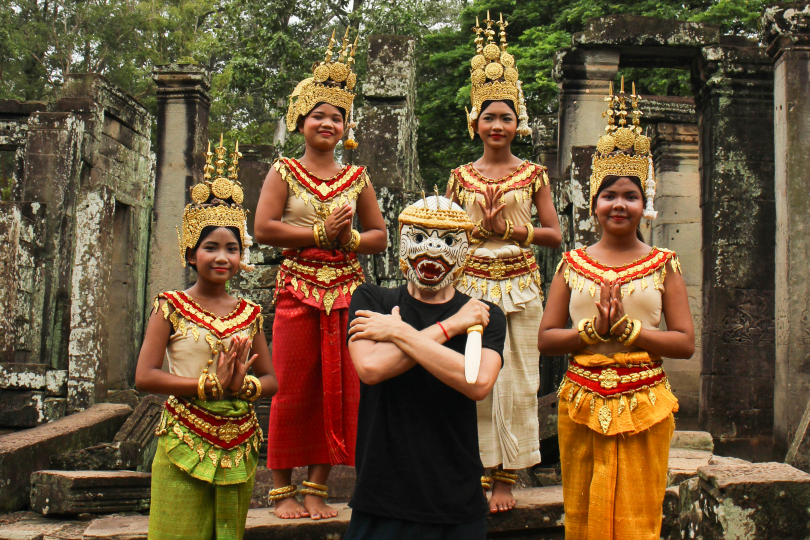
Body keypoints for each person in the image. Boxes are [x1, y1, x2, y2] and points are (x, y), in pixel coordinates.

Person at [537, 80, 694, 540]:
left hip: (645, 401)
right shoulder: (571, 263)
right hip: (582, 398)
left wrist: (631, 332)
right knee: (583, 513)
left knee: (639, 518)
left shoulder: (665, 265)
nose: (619, 204)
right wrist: (589, 331)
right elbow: (547, 339)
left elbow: (684, 343)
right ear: (594, 203)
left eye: (630, 196)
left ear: (645, 205)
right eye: (609, 196)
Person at [253, 29, 388, 520]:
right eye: (318, 115)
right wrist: (318, 235)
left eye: (336, 116)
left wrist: (347, 241)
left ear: (346, 126)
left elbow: (380, 236)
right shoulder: (284, 170)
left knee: (340, 384)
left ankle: (317, 486)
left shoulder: (357, 177)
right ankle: (281, 489)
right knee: (292, 385)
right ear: (301, 122)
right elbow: (263, 228)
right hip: (297, 288)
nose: (327, 123)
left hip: (347, 290)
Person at [446, 12, 561, 513]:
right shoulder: (459, 177)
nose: (498, 125)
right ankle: (471, 469)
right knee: (470, 377)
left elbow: (555, 236)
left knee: (516, 380)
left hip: (519, 285)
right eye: (489, 116)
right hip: (469, 285)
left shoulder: (533, 174)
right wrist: (476, 231)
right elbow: (444, 235)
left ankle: (507, 477)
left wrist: (512, 230)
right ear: (475, 123)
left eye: (506, 117)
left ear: (519, 123)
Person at [136, 139, 278, 540]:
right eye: (210, 247)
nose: (222, 257)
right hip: (184, 436)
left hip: (238, 442)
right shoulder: (171, 306)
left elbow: (271, 381)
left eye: (232, 248)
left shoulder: (250, 314)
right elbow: (145, 376)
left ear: (241, 255)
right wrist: (204, 385)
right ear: (191, 252)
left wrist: (243, 385)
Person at [343, 194, 507, 540]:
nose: (431, 251)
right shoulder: (372, 299)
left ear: (465, 249)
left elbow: (476, 383)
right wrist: (450, 327)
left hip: (456, 498)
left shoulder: (485, 315)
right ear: (402, 242)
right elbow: (371, 369)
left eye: (447, 241)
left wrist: (398, 332)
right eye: (419, 237)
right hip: (382, 495)